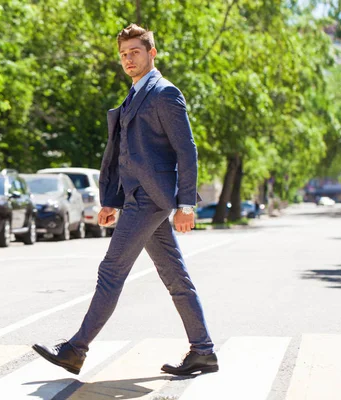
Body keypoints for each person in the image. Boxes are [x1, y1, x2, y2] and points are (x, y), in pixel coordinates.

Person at [32, 23, 218, 376]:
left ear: (152, 53)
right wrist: (112, 200)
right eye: (123, 54)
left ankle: (76, 349)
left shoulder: (165, 93)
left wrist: (187, 204)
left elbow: (186, 149)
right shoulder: (133, 96)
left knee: (111, 271)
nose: (128, 59)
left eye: (135, 52)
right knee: (175, 276)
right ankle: (203, 350)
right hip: (136, 197)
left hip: (151, 200)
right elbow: (123, 155)